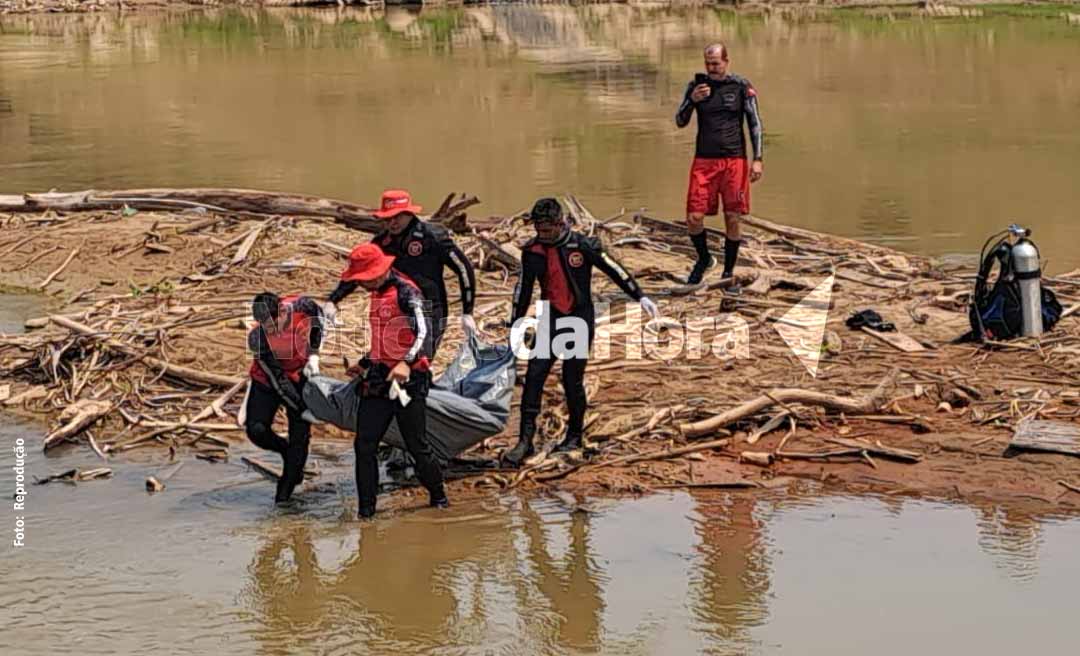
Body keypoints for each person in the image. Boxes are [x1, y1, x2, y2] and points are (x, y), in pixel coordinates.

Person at [502, 198, 659, 466]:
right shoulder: (533, 251)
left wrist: (639, 296)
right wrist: (516, 322)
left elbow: (615, 270)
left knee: (571, 378)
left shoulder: (582, 245)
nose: (544, 234)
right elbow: (523, 289)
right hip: (550, 317)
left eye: (548, 229)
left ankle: (574, 436)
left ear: (561, 223)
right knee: (534, 376)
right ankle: (524, 441)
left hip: (578, 317)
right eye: (539, 229)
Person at [338, 242, 448, 519]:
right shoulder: (377, 294)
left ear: (377, 272)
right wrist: (363, 363)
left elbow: (425, 332)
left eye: (362, 279)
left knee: (416, 444)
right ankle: (366, 513)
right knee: (364, 444)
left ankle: (439, 499)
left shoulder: (406, 292)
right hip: (378, 377)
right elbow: (383, 341)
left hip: (410, 380)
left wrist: (405, 363)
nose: (360, 285)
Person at [326, 189, 476, 356]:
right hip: (394, 308)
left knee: (419, 362)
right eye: (388, 218)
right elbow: (362, 270)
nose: (393, 223)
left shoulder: (433, 237)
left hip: (429, 308)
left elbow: (463, 268)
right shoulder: (382, 242)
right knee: (389, 359)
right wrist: (334, 300)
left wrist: (467, 312)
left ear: (409, 213)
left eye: (397, 217)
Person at [675, 42, 764, 290]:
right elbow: (680, 121)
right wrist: (692, 101)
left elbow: (755, 124)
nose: (712, 68)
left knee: (733, 217)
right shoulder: (696, 87)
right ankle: (704, 259)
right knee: (693, 217)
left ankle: (728, 271)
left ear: (726, 61)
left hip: (734, 160)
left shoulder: (741, 87)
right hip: (704, 161)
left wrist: (758, 159)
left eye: (716, 63)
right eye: (708, 63)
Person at [244, 292, 324, 504]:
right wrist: (301, 408)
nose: (269, 329)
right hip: (267, 381)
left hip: (300, 374)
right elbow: (278, 380)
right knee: (256, 431)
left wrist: (314, 354)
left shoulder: (302, 305)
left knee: (300, 437)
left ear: (281, 311)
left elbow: (318, 318)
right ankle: (285, 451)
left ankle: (284, 496)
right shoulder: (257, 338)